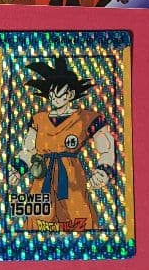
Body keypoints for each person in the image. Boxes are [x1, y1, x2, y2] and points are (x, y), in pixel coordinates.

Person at [7, 57, 115, 231]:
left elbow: (106, 146)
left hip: (71, 178)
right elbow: (28, 149)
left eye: (59, 94)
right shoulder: (39, 120)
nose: (55, 98)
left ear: (70, 95)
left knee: (79, 220)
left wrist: (103, 170)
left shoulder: (84, 118)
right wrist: (18, 169)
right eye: (52, 94)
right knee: (38, 223)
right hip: (42, 177)